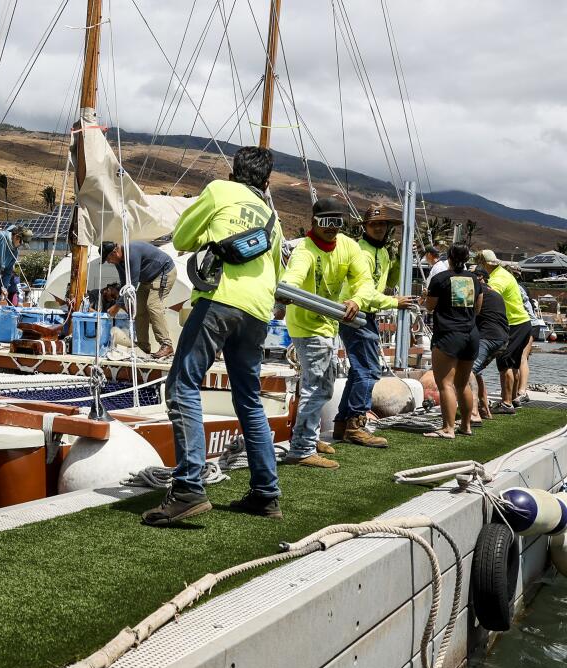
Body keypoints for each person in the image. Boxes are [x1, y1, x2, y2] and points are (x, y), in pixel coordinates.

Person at [141, 146, 283, 525]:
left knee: (183, 385)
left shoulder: (219, 191)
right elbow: (278, 273)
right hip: (257, 312)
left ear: (234, 173)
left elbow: (184, 237)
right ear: (266, 183)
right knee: (249, 400)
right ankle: (266, 494)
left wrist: (212, 237)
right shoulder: (272, 217)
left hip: (218, 300)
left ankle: (188, 488)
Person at [277, 197, 373, 469]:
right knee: (318, 387)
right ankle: (302, 448)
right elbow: (293, 277)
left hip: (330, 322)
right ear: (313, 222)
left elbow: (364, 281)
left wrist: (357, 301)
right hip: (307, 326)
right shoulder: (304, 250)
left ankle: (311, 437)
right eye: (326, 222)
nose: (332, 228)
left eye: (338, 222)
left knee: (320, 384)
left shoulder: (348, 246)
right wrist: (286, 291)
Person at [332, 204, 418, 447]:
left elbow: (389, 280)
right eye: (375, 224)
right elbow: (366, 293)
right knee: (368, 371)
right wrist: (394, 301)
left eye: (383, 224)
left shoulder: (382, 252)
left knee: (359, 370)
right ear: (366, 227)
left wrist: (401, 258)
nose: (379, 228)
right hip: (356, 313)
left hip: (364, 315)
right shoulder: (362, 252)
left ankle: (343, 423)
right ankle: (355, 424)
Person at [423, 243, 485, 438]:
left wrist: (427, 299)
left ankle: (448, 428)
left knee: (445, 384)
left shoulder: (440, 279)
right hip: (471, 334)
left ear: (448, 257)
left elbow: (430, 307)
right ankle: (465, 426)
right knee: (462, 383)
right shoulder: (474, 279)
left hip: (449, 334)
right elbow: (478, 308)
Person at [100, 240, 177, 359]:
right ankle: (143, 346)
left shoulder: (132, 253)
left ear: (114, 252)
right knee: (139, 309)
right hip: (148, 279)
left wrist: (117, 306)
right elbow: (125, 284)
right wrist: (122, 303)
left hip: (164, 272)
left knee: (153, 306)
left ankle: (166, 345)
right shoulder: (119, 261)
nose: (109, 262)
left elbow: (133, 284)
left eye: (108, 259)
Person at [479, 249, 532, 414]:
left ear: (485, 264)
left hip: (514, 323)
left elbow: (489, 294)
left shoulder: (498, 278)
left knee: (504, 364)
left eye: (480, 264)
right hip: (522, 322)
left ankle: (507, 403)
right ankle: (513, 399)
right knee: (513, 364)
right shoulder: (501, 272)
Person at [467, 266, 508, 425]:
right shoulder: (496, 294)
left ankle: (474, 413)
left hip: (488, 338)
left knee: (467, 372)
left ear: (479, 279)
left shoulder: (477, 292)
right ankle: (485, 410)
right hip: (503, 339)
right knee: (477, 372)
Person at [0, 225, 30, 325]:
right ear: (16, 237)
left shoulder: (15, 251)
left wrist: (4, 287)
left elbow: (8, 271)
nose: (20, 246)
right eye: (21, 243)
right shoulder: (1, 236)